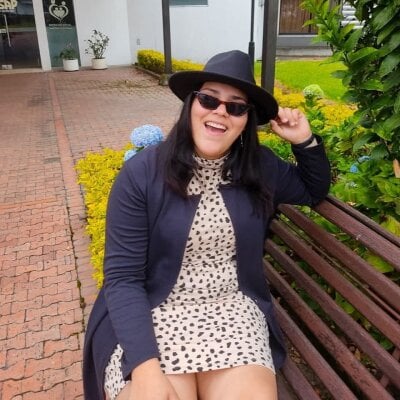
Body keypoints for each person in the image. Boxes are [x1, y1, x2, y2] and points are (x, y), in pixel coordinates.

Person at [83, 50, 331, 400]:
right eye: (209, 99)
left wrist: (304, 141)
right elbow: (123, 279)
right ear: (191, 104)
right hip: (153, 314)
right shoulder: (141, 174)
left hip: (233, 314)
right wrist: (145, 368)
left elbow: (313, 188)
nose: (220, 111)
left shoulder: (259, 167)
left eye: (236, 106)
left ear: (246, 120)